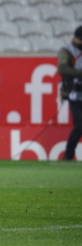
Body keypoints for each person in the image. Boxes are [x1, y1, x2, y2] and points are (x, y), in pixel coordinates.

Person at [58, 26, 82, 161]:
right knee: (79, 127)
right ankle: (68, 155)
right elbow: (62, 68)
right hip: (75, 94)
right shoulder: (67, 50)